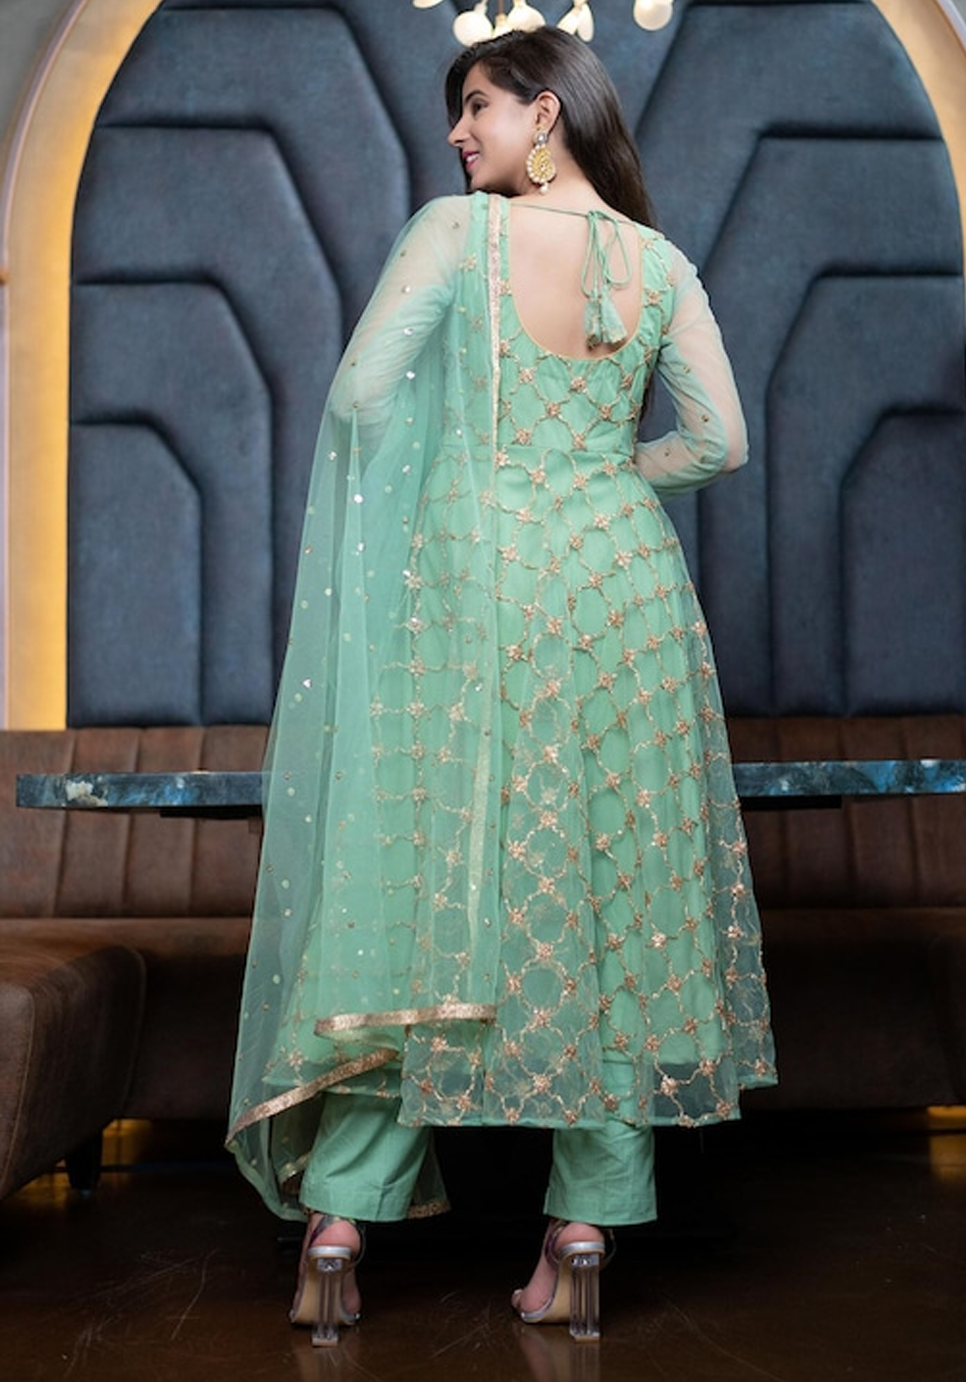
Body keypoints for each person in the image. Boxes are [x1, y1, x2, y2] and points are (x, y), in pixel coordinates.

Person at [227, 27, 775, 1346]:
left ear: (549, 113)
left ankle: (340, 1223)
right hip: (626, 596)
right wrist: (605, 481)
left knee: (428, 893)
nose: (459, 133)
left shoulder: (455, 235)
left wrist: (471, 476)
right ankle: (584, 1227)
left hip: (479, 581)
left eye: (478, 105)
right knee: (609, 900)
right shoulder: (657, 263)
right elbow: (719, 441)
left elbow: (361, 395)